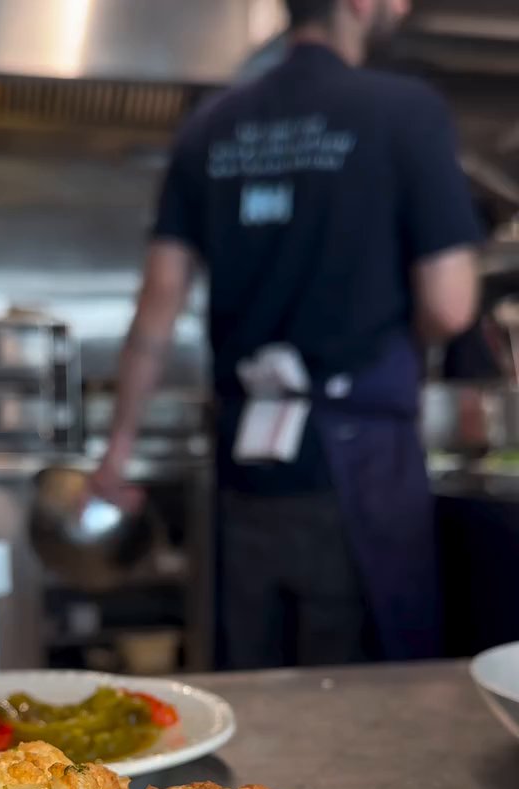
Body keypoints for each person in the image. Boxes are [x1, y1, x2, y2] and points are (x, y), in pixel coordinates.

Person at [91, 0, 481, 667]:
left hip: (245, 472)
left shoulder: (208, 127)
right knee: (366, 703)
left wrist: (116, 455)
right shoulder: (405, 110)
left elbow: (156, 309)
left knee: (260, 690)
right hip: (359, 467)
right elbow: (450, 305)